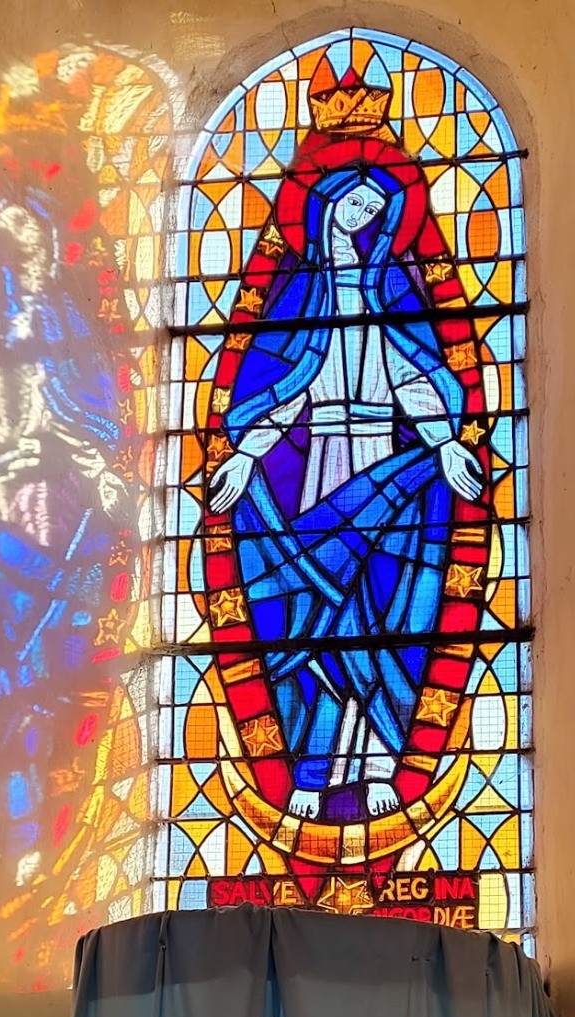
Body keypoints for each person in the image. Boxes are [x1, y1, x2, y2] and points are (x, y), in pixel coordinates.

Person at [208, 164, 485, 825]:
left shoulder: (388, 292)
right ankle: (311, 770)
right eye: (352, 206)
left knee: (380, 615)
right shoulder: (307, 297)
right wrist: (246, 454)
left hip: (384, 459)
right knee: (316, 616)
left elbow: (412, 377)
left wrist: (445, 441)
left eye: (372, 212)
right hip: (324, 467)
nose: (361, 220)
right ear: (326, 209)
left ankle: (379, 763)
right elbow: (288, 387)